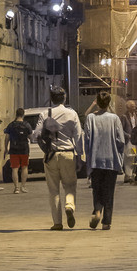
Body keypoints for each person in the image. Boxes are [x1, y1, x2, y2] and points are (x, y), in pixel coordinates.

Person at [37, 83, 83, 229]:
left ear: (51, 99)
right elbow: (78, 136)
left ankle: (57, 222)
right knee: (70, 185)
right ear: (64, 98)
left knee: (53, 190)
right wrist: (80, 155)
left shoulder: (45, 114)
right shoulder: (72, 114)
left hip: (51, 155)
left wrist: (45, 148)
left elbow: (37, 134)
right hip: (68, 153)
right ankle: (69, 205)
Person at [83, 89, 127, 230]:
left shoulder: (90, 118)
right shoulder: (115, 119)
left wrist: (88, 155)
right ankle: (107, 221)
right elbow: (121, 140)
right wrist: (119, 154)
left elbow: (87, 138)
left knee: (96, 189)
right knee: (109, 190)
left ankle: (97, 210)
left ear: (97, 103)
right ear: (109, 103)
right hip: (111, 159)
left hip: (95, 159)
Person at [3, 106, 32, 190]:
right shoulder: (27, 125)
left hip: (13, 149)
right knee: (24, 167)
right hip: (24, 149)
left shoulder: (11, 125)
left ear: (16, 114)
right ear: (23, 115)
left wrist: (6, 148)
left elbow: (7, 138)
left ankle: (16, 188)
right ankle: (23, 186)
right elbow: (31, 137)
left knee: (14, 169)